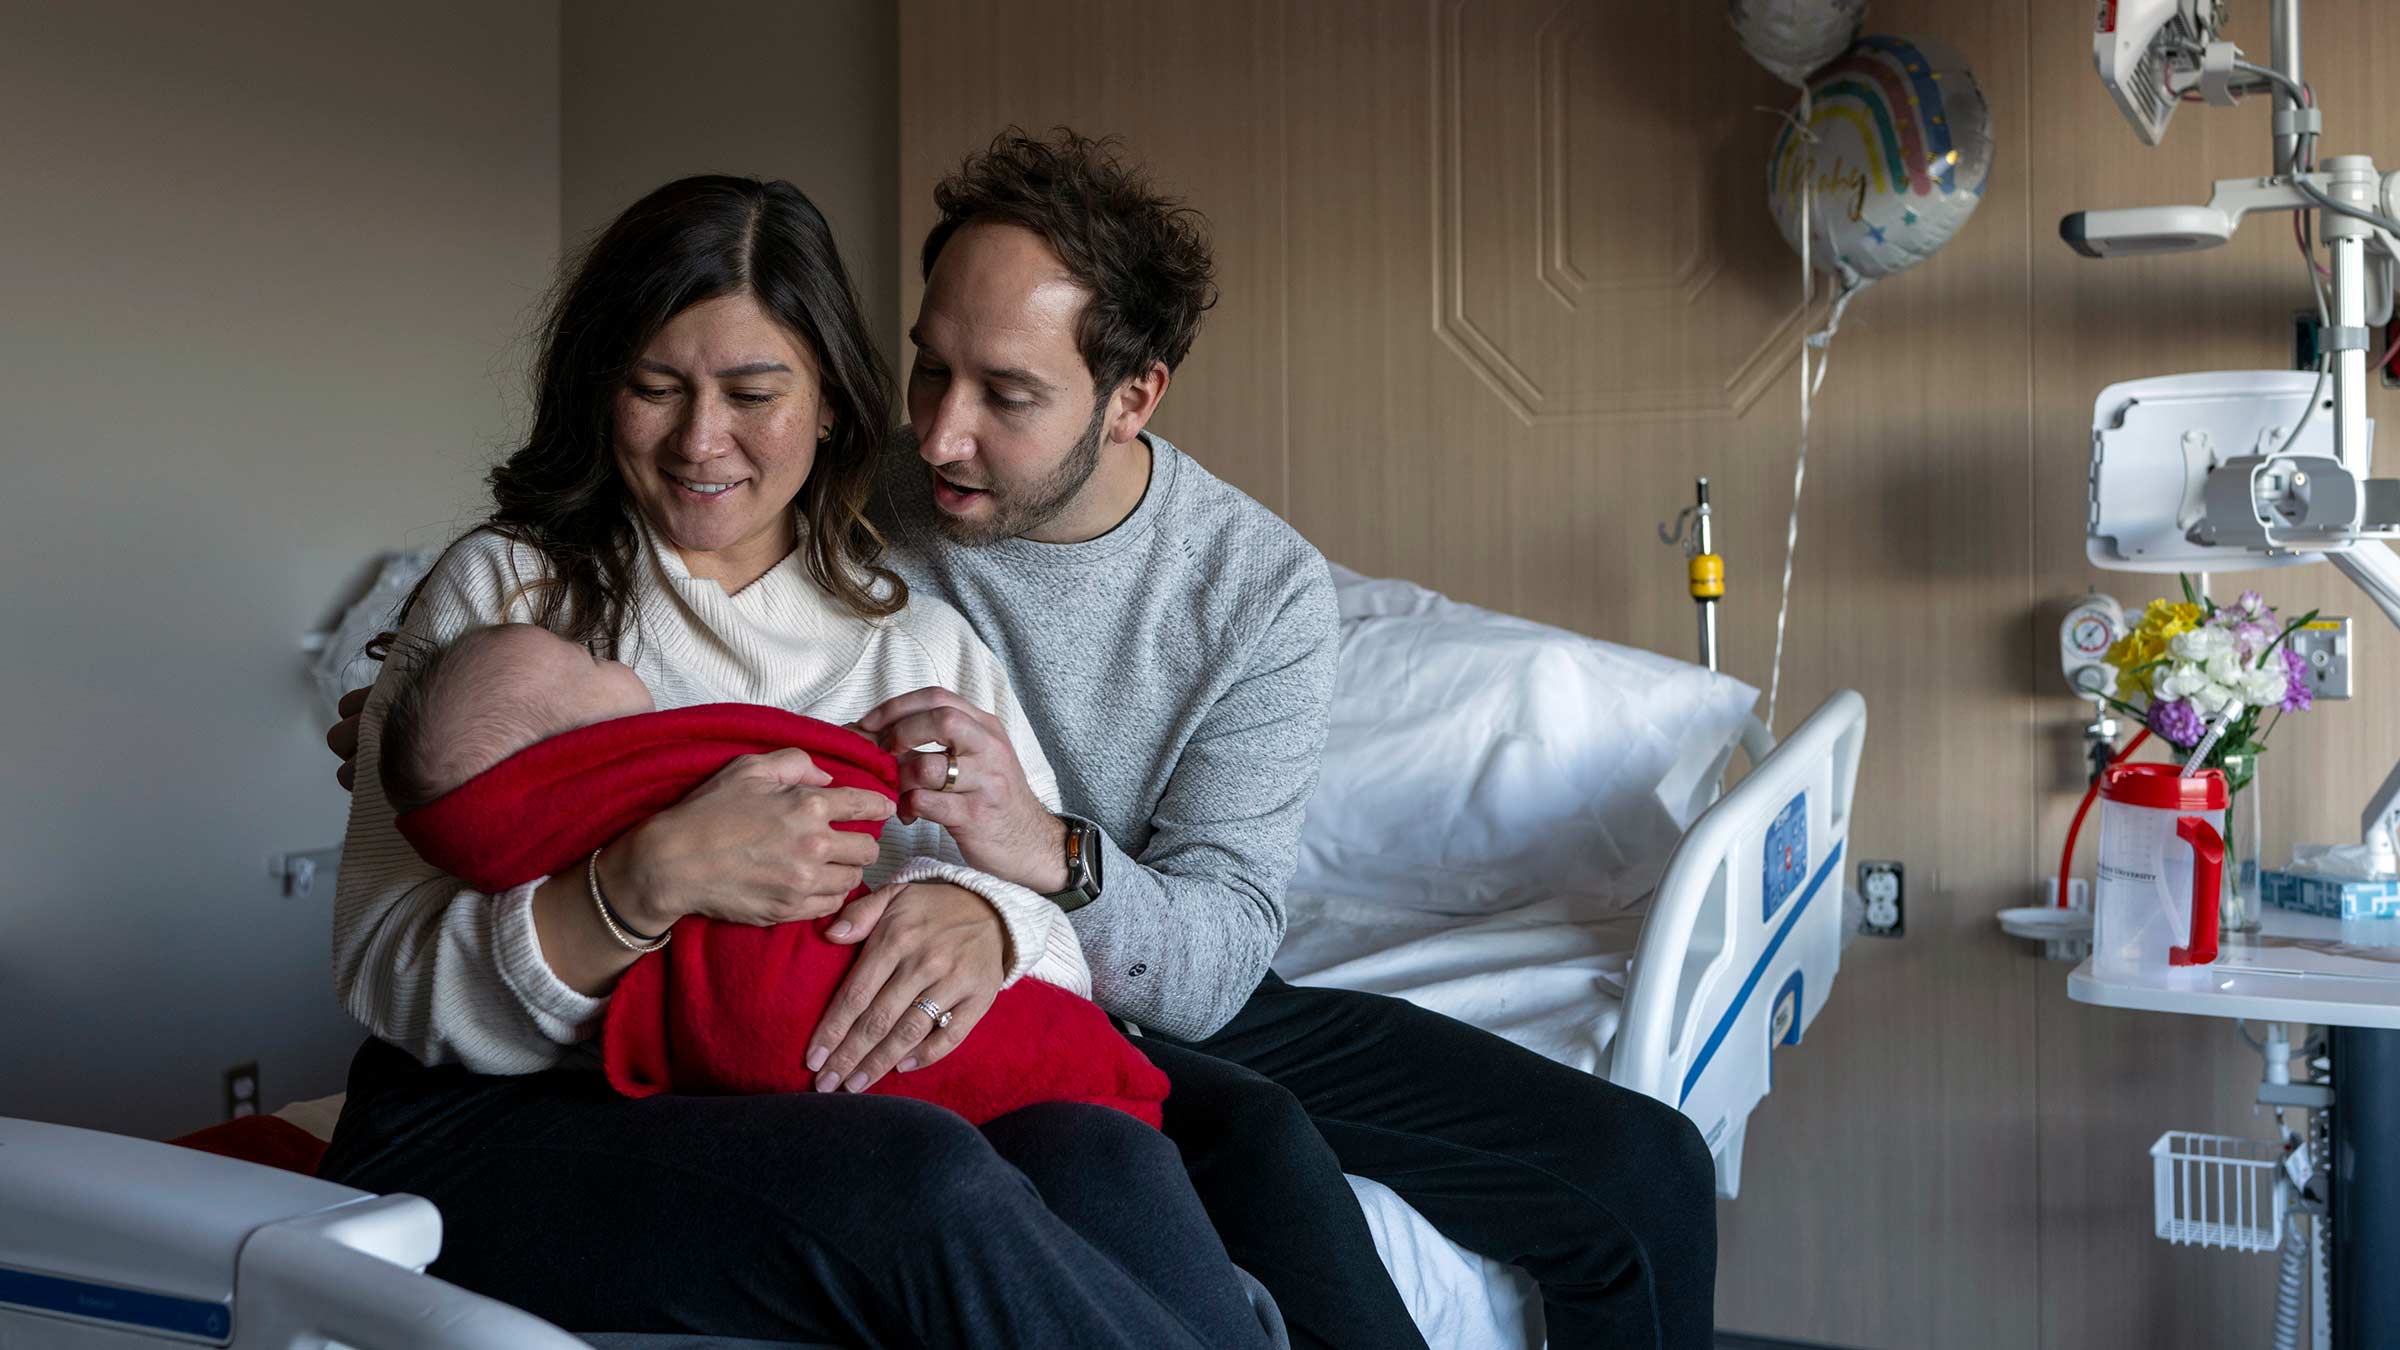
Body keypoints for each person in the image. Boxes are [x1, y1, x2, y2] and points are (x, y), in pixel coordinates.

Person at [317, 174, 1269, 1348]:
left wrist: (990, 925)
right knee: (922, 1176)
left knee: (1108, 1148)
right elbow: (381, 968)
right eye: (653, 388)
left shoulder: (918, 642)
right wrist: (638, 888)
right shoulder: (508, 592)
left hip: (783, 1105)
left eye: (752, 394)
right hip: (486, 1120)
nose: (698, 441)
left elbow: (1052, 935)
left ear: (829, 404)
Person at [849, 131, 1720, 1349]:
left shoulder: (1253, 591)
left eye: (1006, 394)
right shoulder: (848, 516)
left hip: (1152, 966)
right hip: (954, 973)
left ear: (1133, 396)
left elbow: (1210, 960)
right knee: (1265, 1150)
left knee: (1650, 1171)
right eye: (928, 371)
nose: (940, 434)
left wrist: (1047, 851)